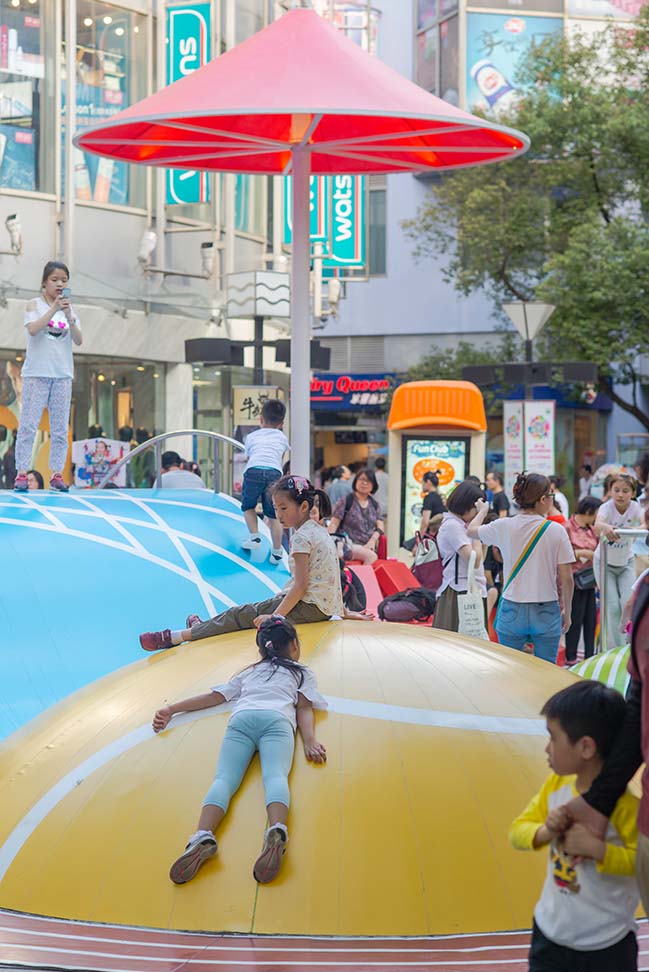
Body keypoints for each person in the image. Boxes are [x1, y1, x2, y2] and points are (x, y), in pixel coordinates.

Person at [153, 616, 327, 886]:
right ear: (294, 645)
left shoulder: (249, 672)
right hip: (277, 721)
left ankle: (202, 835)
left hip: (242, 720)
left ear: (261, 649)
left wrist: (171, 709)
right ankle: (277, 829)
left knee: (224, 779)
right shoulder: (302, 672)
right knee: (275, 776)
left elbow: (214, 697)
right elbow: (304, 707)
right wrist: (310, 741)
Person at [139, 476, 369, 651]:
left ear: (304, 507)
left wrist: (275, 617)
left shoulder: (302, 537)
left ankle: (176, 636)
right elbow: (330, 576)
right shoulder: (320, 532)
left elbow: (301, 586)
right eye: (276, 509)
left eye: (284, 508)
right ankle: (201, 627)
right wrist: (343, 611)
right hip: (322, 608)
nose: (279, 515)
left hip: (308, 608)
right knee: (250, 610)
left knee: (239, 615)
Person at [509, 680, 639, 972]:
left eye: (553, 738)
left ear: (586, 747)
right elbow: (517, 831)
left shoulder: (627, 806)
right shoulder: (556, 786)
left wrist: (600, 850)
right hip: (550, 938)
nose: (547, 748)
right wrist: (546, 831)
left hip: (608, 946)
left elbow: (642, 863)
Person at [468, 472, 575, 663]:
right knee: (546, 669)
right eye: (551, 495)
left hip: (512, 607)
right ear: (542, 499)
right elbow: (567, 578)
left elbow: (471, 531)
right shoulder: (556, 531)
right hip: (546, 608)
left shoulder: (504, 525)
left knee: (510, 668)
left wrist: (482, 511)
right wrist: (567, 609)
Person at [13, 261, 82, 492]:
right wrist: (53, 308)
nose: (59, 284)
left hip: (62, 375)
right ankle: (22, 473)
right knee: (28, 426)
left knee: (60, 429)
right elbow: (33, 329)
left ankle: (56, 474)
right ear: (44, 283)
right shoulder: (34, 304)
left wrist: (69, 315)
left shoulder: (70, 309)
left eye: (64, 280)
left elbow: (79, 340)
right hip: (36, 374)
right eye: (55, 279)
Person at [594, 474, 643, 652]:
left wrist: (634, 529)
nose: (620, 495)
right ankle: (616, 649)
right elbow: (598, 524)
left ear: (633, 493)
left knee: (627, 604)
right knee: (612, 607)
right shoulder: (606, 507)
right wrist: (606, 527)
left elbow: (645, 524)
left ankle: (628, 645)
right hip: (604, 563)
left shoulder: (636, 507)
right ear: (610, 491)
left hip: (626, 563)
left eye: (625, 491)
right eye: (616, 490)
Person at [432, 479, 487, 632]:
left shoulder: (460, 525)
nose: (476, 514)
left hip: (467, 589)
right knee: (458, 642)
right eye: (476, 509)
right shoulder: (452, 526)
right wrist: (477, 528)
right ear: (467, 507)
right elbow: (474, 560)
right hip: (458, 591)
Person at [240, 398, 289, 565]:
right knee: (273, 514)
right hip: (274, 472)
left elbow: (249, 455)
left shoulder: (251, 436)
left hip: (253, 470)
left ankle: (254, 537)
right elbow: (280, 456)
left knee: (248, 506)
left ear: (261, 419)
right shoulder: (282, 438)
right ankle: (277, 551)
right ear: (282, 424)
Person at [564, 496, 602, 664]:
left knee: (590, 620)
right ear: (588, 511)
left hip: (590, 580)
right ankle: (571, 657)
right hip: (574, 579)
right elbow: (561, 554)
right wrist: (581, 553)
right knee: (575, 618)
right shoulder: (567, 528)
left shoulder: (593, 530)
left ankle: (589, 656)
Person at [328, 467, 385, 566]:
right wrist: (328, 543)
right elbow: (334, 524)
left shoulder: (374, 504)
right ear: (355, 481)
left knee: (370, 554)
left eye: (368, 481)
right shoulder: (346, 501)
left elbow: (380, 526)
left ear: (373, 485)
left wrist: (372, 541)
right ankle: (362, 576)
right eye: (362, 479)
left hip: (367, 545)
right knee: (371, 556)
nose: (364, 483)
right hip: (347, 544)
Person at [419, 470, 445, 536]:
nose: (422, 485)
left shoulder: (429, 498)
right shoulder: (442, 498)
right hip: (441, 535)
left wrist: (419, 539)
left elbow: (425, 523)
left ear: (428, 482)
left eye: (422, 482)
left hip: (431, 536)